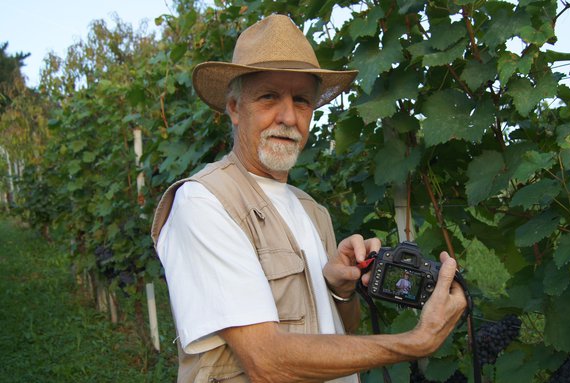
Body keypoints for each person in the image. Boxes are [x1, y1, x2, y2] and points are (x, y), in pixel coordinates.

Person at [151, 14, 467, 383]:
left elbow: (342, 330)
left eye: (301, 100)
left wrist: (341, 289)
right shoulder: (204, 202)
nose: (288, 116)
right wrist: (416, 341)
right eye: (269, 96)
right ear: (235, 108)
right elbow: (266, 362)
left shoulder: (312, 211)